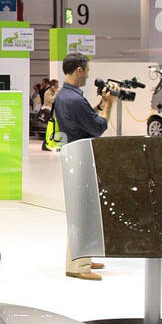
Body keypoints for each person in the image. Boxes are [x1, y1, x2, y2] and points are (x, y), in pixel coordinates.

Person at [52, 55, 113, 280]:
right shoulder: (74, 99)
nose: (88, 74)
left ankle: (84, 255)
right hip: (81, 156)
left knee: (86, 209)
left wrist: (98, 105)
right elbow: (98, 128)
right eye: (87, 70)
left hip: (75, 154)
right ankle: (78, 265)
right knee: (82, 210)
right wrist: (109, 106)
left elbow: (83, 119)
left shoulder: (65, 96)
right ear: (79, 70)